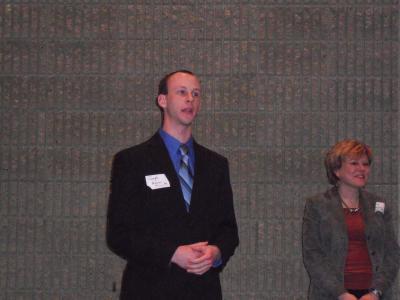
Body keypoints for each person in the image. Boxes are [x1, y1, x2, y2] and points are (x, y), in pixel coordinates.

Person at [106, 70, 239, 299]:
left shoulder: (216, 165)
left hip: (203, 291)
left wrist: (215, 253)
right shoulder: (132, 161)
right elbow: (119, 235)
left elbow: (228, 230)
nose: (190, 99)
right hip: (149, 290)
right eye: (182, 92)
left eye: (196, 94)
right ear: (162, 100)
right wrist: (172, 254)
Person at [302, 139, 400, 300]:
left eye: (366, 164)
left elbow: (392, 253)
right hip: (331, 295)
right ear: (336, 170)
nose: (362, 169)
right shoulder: (317, 205)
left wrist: (376, 292)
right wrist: (341, 294)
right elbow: (312, 255)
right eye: (354, 163)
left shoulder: (379, 204)